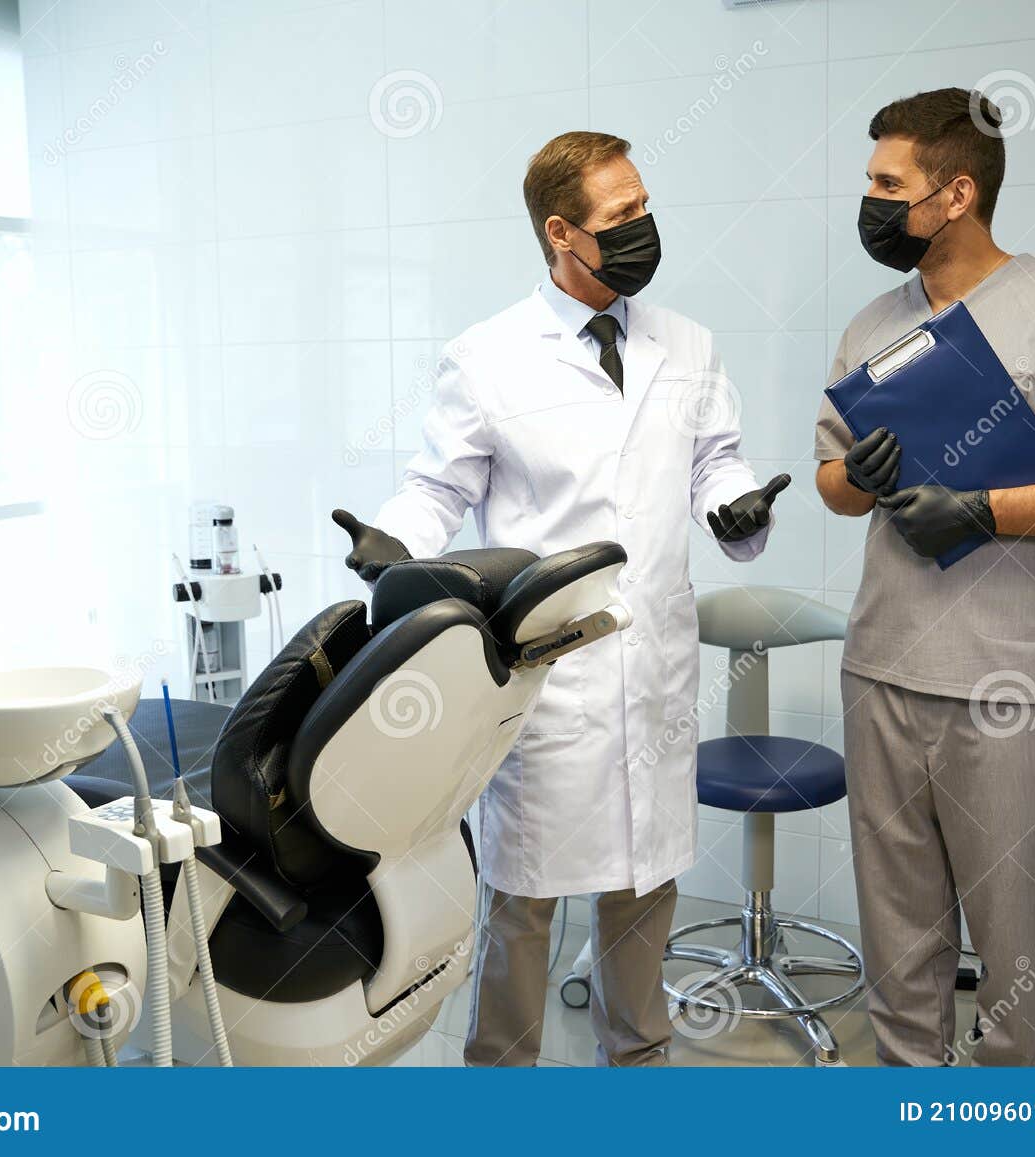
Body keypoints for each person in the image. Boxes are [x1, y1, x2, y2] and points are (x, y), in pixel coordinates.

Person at [333, 130, 787, 1066]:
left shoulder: (687, 343)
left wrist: (734, 505)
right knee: (523, 905)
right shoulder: (489, 354)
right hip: (547, 678)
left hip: (653, 666)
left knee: (643, 892)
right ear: (561, 233)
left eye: (644, 205)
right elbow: (437, 487)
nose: (644, 227)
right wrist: (394, 542)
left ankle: (638, 1068)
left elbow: (715, 463)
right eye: (622, 216)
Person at [814, 88, 1035, 1066]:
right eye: (870, 183)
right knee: (900, 969)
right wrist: (859, 477)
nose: (871, 201)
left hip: (1005, 689)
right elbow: (831, 483)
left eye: (889, 184)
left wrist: (985, 510)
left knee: (1017, 978)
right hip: (881, 673)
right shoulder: (868, 325)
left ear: (956, 193)